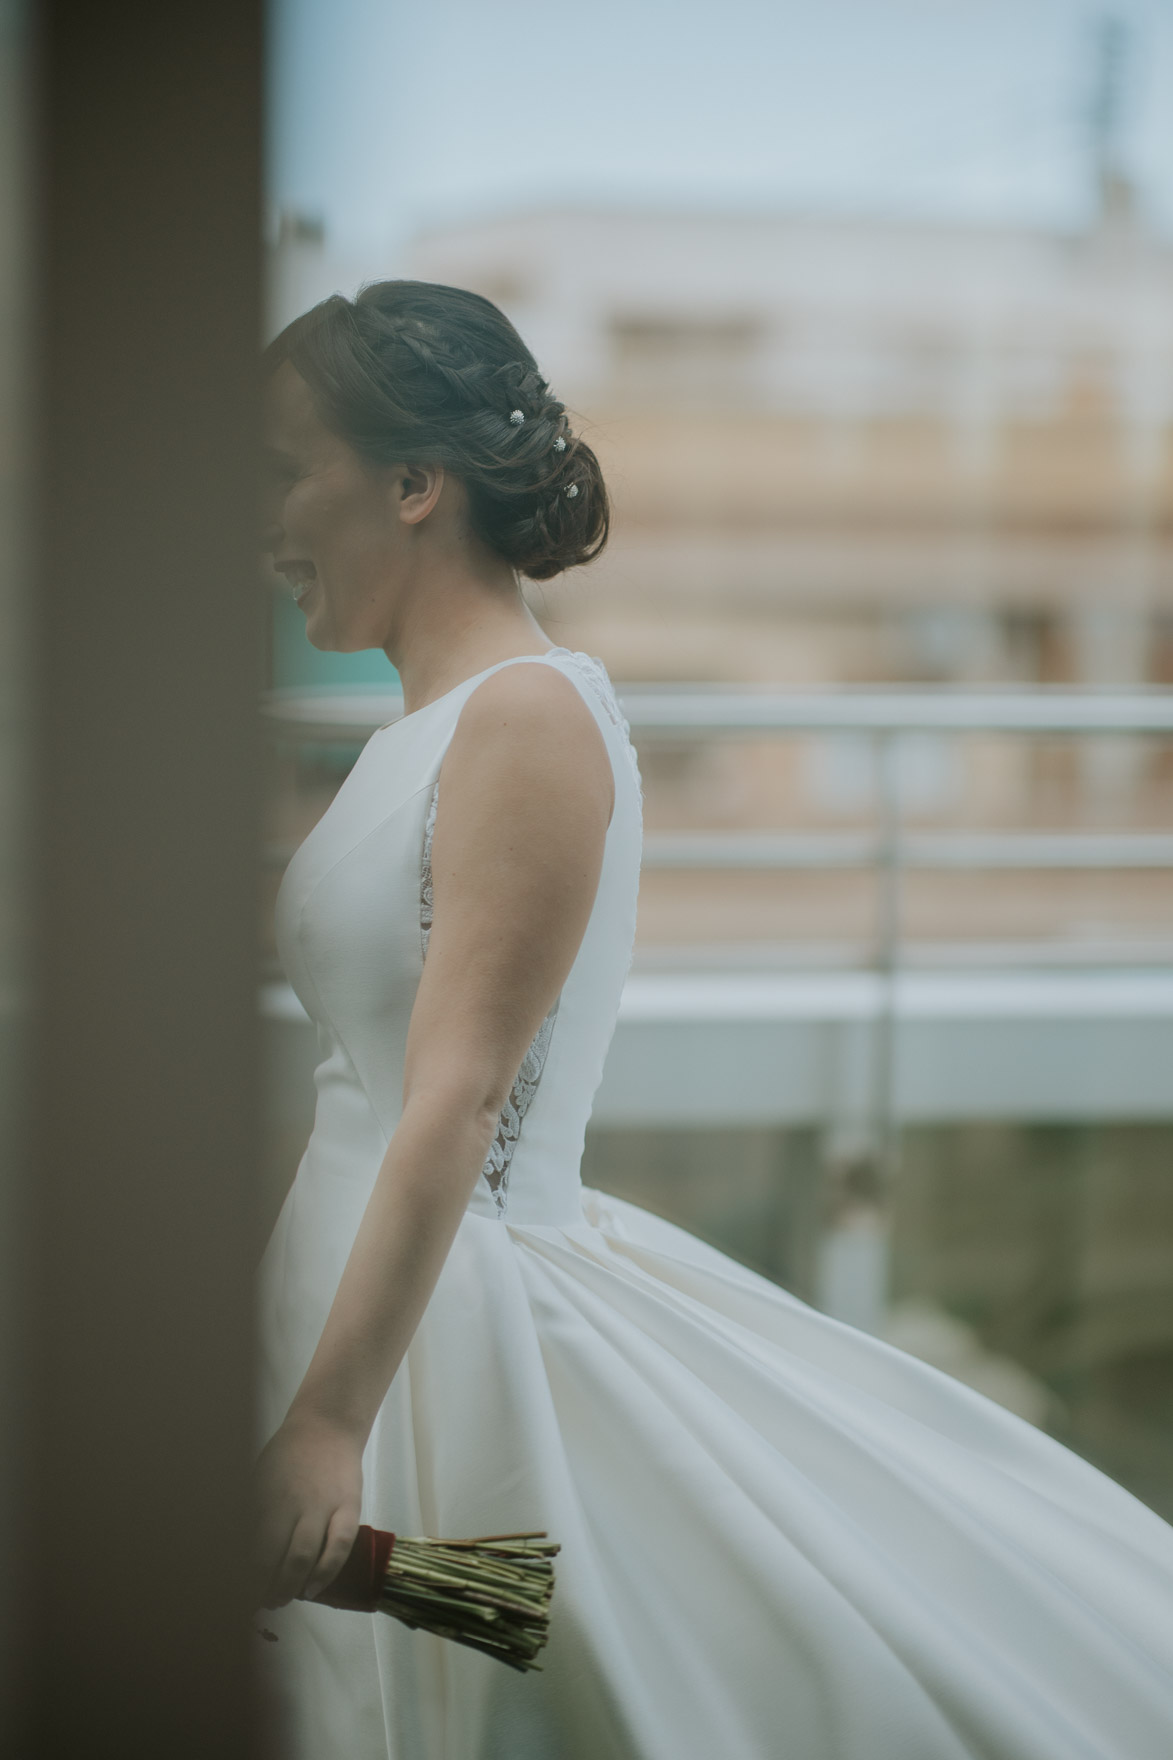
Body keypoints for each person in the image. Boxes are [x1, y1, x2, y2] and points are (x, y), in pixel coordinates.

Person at [255, 280, 1173, 1760]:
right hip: (360, 1277)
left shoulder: (528, 716)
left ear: (413, 484)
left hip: (448, 1330)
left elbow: (456, 1099)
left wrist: (327, 1422)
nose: (263, 528)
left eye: (283, 475)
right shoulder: (420, 730)